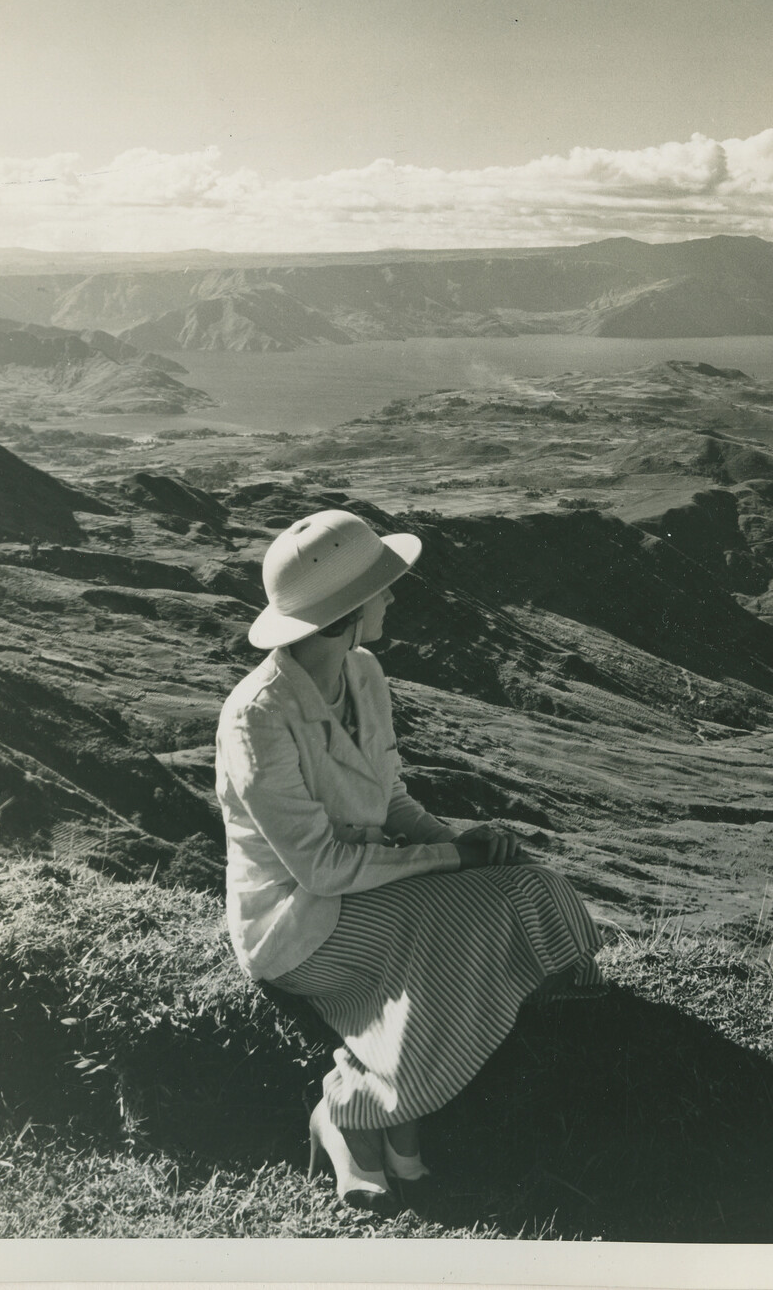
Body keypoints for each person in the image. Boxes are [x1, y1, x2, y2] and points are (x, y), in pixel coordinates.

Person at [214, 509, 604, 1207]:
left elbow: (388, 795)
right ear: (342, 614)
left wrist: (460, 844)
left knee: (526, 885)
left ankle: (391, 1123)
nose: (391, 597)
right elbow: (320, 869)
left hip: (365, 888)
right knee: (451, 939)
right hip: (298, 922)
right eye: (379, 589)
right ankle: (353, 1109)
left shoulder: (364, 672)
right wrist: (446, 860)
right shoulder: (257, 717)